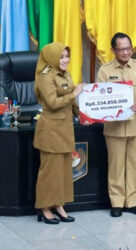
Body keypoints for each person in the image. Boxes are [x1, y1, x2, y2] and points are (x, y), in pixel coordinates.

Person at [97, 32, 136, 217]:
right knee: (116, 166)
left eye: (128, 48)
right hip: (114, 127)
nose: (125, 52)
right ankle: (116, 203)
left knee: (133, 164)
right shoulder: (105, 70)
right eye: (121, 49)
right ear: (114, 50)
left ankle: (132, 202)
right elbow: (99, 96)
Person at [34, 42, 83, 224]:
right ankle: (45, 207)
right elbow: (54, 102)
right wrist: (75, 92)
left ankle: (59, 205)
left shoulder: (66, 74)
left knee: (62, 172)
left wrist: (84, 114)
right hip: (51, 130)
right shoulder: (45, 76)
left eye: (67, 56)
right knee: (49, 172)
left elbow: (71, 100)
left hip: (65, 129)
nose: (65, 60)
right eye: (61, 57)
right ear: (52, 58)